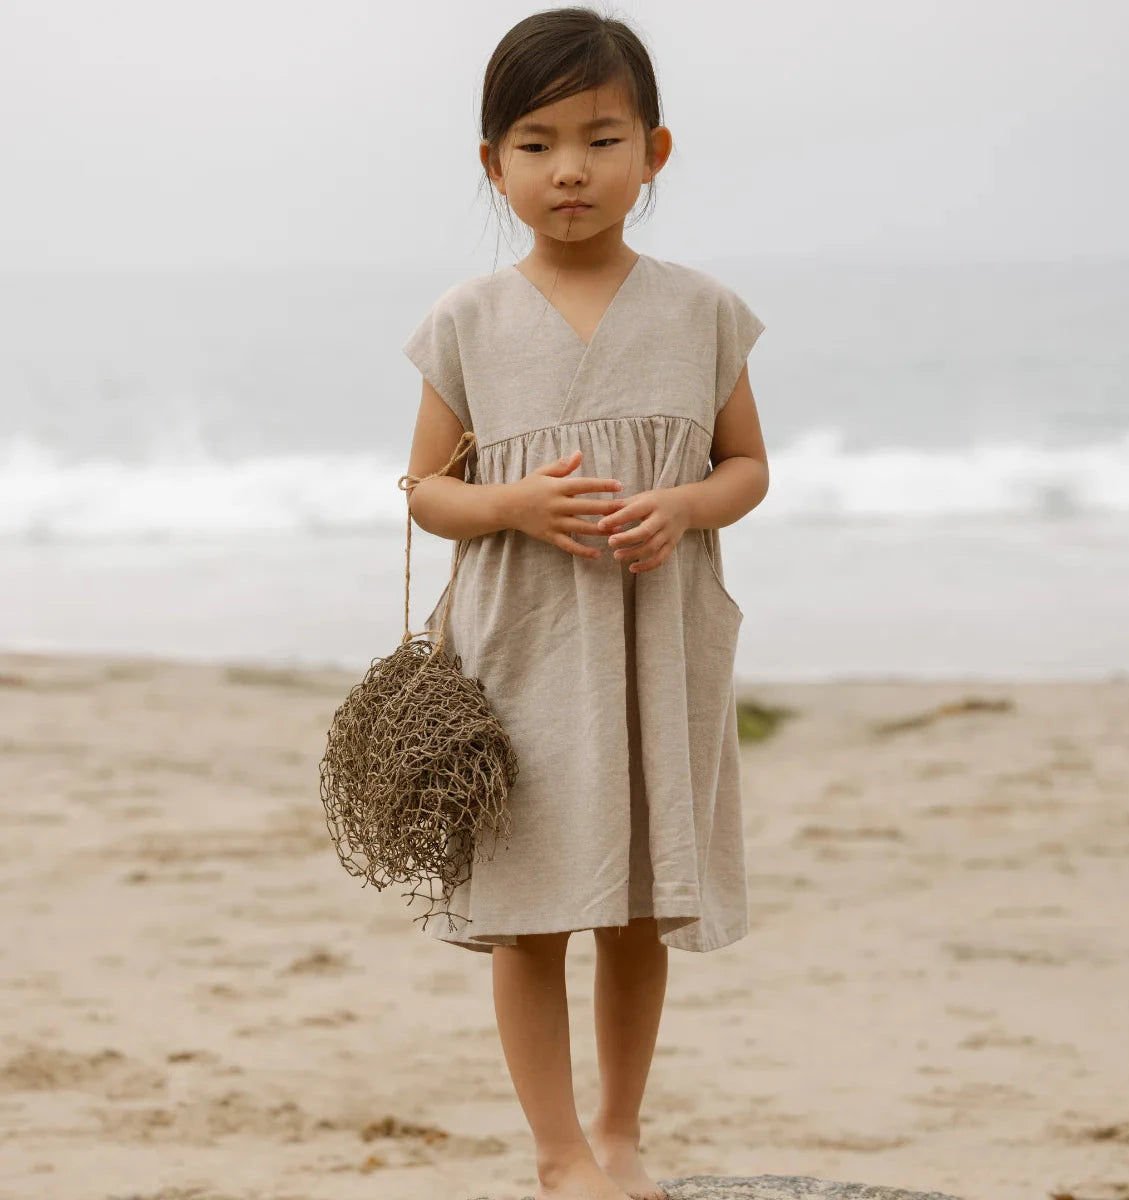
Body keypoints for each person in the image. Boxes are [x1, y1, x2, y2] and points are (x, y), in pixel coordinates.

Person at [400, 8, 769, 1199]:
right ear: (492, 164)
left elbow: (747, 467)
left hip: (656, 642)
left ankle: (621, 1134)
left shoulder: (702, 309)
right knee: (529, 911)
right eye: (536, 141)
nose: (570, 168)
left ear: (654, 153)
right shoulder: (469, 320)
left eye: (602, 139)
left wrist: (687, 509)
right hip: (520, 651)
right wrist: (508, 508)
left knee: (635, 904)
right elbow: (426, 497)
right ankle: (559, 1154)